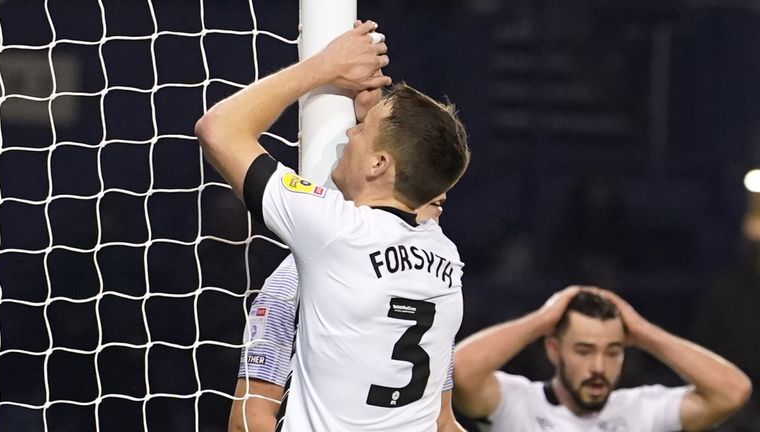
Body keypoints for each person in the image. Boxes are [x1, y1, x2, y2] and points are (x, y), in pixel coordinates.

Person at [196, 20, 470, 431]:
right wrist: (375, 124)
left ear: (380, 163)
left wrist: (324, 67)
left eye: (360, 129)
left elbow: (218, 129)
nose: (349, 130)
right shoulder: (445, 260)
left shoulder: (334, 233)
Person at [228, 195, 458, 432]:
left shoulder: (441, 291)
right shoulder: (293, 279)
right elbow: (248, 419)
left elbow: (441, 421)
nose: (442, 194)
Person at [453, 287, 752, 431]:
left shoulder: (642, 412)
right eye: (584, 351)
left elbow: (731, 392)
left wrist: (645, 332)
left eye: (613, 352)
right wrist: (542, 319)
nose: (599, 367)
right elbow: (459, 371)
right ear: (554, 349)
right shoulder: (516, 404)